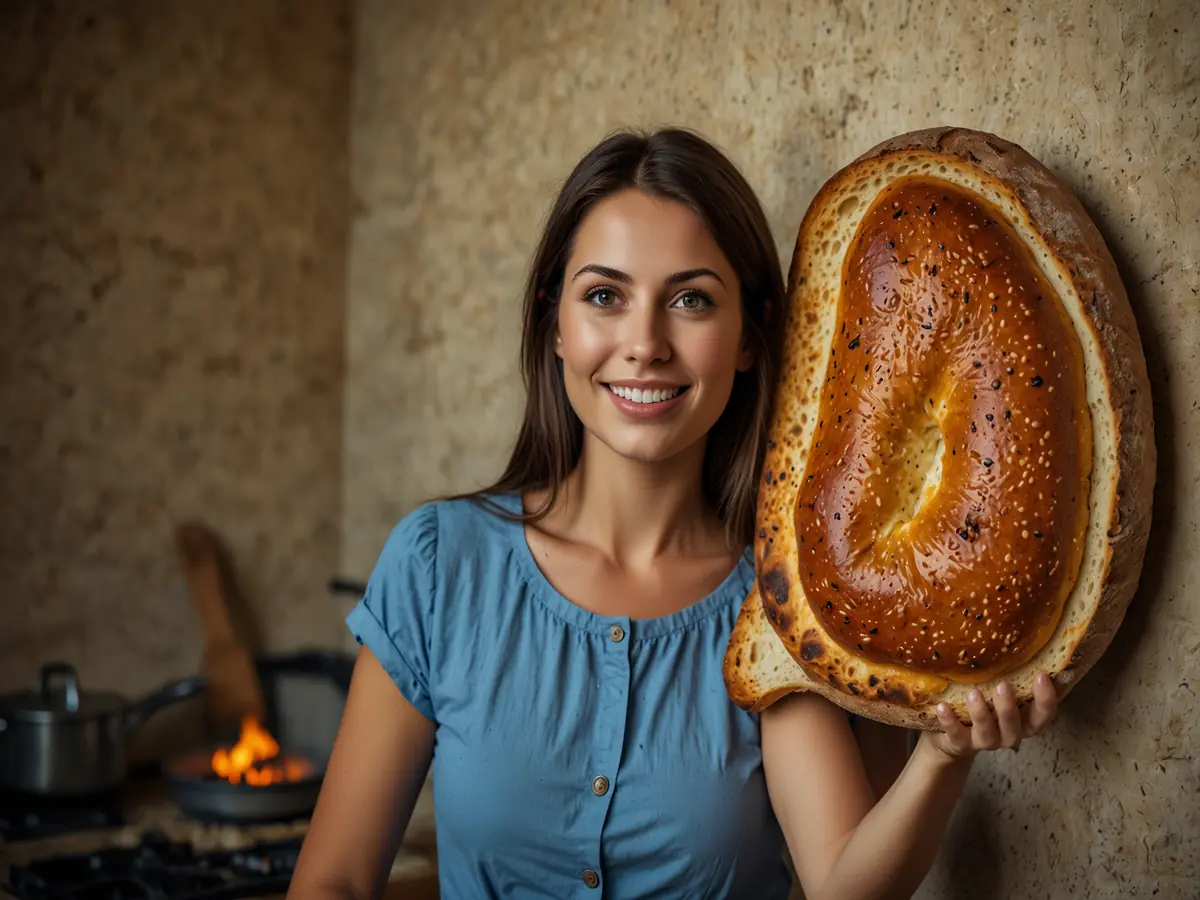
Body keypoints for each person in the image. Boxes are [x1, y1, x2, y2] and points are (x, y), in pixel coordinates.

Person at [286, 127, 1060, 900]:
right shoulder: (438, 565)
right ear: (556, 324)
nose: (645, 344)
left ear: (750, 338)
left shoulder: (783, 610)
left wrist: (943, 757)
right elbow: (336, 883)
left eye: (690, 300)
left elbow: (842, 887)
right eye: (604, 296)